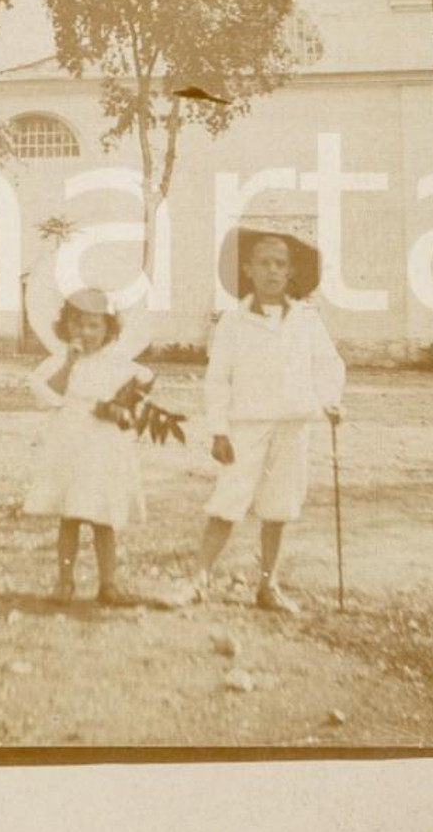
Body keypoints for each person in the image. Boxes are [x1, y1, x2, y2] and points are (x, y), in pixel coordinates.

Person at [191, 226, 345, 613]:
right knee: (228, 502)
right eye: (264, 263)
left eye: (281, 264)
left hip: (292, 426)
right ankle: (198, 579)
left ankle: (268, 585)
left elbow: (328, 365)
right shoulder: (232, 322)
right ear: (248, 270)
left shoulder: (306, 320)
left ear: (291, 272)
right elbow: (218, 379)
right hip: (247, 427)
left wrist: (330, 401)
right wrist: (218, 430)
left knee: (278, 507)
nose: (273, 271)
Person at [24, 287, 153, 606]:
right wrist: (68, 364)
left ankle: (108, 583)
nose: (85, 332)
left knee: (103, 517)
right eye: (78, 323)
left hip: (104, 447)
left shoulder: (119, 363)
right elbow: (47, 395)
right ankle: (64, 581)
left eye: (94, 325)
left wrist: (121, 408)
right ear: (66, 326)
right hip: (70, 445)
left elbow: (145, 382)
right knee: (70, 515)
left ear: (109, 330)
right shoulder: (59, 361)